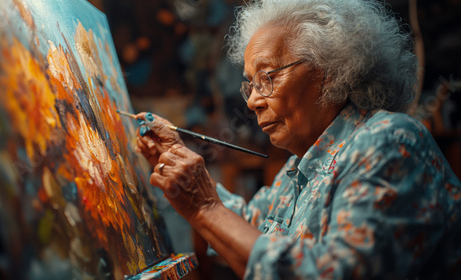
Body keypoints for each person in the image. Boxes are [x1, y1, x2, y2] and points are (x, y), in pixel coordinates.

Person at [135, 0, 461, 278]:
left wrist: (204, 207)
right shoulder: (301, 165)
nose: (252, 101)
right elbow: (251, 227)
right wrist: (177, 158)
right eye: (250, 84)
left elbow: (329, 274)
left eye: (268, 77)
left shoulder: (391, 143)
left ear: (331, 70)